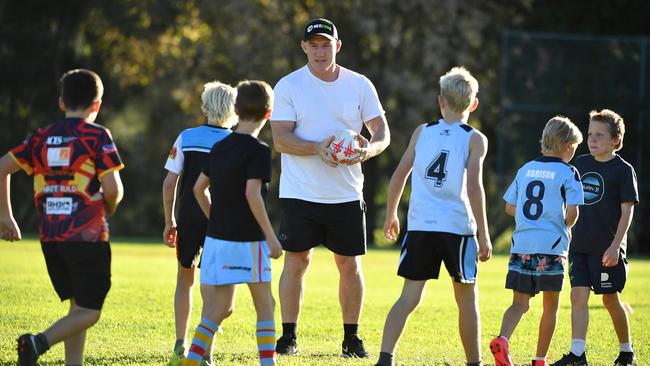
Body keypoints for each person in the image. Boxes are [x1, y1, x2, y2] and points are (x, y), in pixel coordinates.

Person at [270, 18, 390, 358]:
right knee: (296, 263)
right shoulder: (289, 86)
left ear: (338, 46)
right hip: (300, 192)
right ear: (303, 47)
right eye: (314, 45)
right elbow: (281, 139)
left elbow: (381, 132)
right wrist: (318, 148)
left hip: (346, 193)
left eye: (327, 44)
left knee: (349, 266)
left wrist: (369, 149)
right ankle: (288, 337)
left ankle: (351, 339)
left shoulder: (360, 85)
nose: (321, 51)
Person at [0, 69, 124, 366]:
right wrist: (112, 206)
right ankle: (37, 342)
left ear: (61, 102)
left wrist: (6, 215)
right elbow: (113, 190)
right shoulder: (97, 135)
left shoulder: (42, 136)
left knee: (77, 307)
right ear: (97, 105)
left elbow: (2, 167)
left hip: (50, 237)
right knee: (90, 310)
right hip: (86, 237)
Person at [375, 66, 492, 366]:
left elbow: (399, 175)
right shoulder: (474, 138)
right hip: (457, 228)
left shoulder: (422, 131)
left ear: (441, 101)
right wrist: (484, 234)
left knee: (408, 298)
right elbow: (474, 187)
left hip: (421, 227)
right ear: (474, 104)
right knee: (466, 300)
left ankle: (385, 358)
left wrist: (391, 214)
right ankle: (474, 363)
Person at [185, 80, 282, 366]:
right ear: (269, 113)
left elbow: (198, 189)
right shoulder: (259, 150)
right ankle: (268, 363)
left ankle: (191, 361)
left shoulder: (220, 146)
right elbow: (252, 193)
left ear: (236, 110)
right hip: (249, 240)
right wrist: (271, 236)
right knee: (266, 305)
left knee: (220, 309)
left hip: (217, 239)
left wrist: (215, 219)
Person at [490, 117, 584, 366]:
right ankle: (539, 360)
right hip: (551, 247)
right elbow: (572, 213)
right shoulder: (568, 171)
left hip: (521, 245)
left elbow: (510, 206)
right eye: (574, 146)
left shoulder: (526, 168)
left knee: (519, 303)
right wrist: (565, 225)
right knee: (550, 306)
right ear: (566, 145)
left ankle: (502, 339)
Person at [552, 110, 639, 366]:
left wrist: (615, 247)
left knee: (610, 300)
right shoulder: (579, 164)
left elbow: (627, 212)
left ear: (616, 139)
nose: (592, 139)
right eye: (590, 134)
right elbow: (566, 200)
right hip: (578, 247)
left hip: (606, 251)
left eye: (599, 135)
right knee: (577, 297)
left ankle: (627, 351)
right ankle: (578, 354)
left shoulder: (623, 170)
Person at [162, 81, 237, 365]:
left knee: (185, 279)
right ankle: (205, 351)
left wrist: (169, 220)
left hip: (189, 218)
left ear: (205, 106)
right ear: (234, 111)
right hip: (222, 221)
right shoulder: (236, 142)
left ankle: (180, 346)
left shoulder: (186, 136)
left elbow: (170, 184)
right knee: (214, 286)